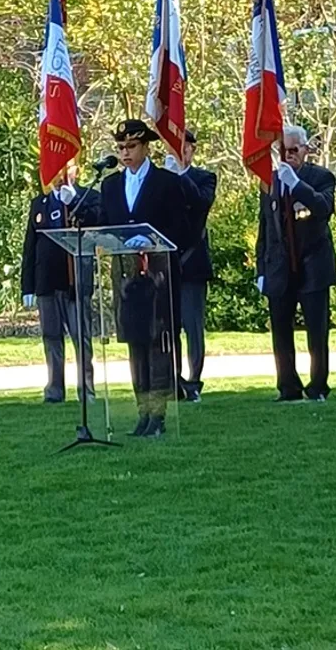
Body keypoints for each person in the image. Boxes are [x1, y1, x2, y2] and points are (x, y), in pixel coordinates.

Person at [99, 119, 189, 437]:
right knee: (135, 346)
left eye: (131, 147)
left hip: (158, 276)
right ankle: (141, 413)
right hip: (125, 277)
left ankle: (159, 414)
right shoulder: (109, 185)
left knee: (157, 345)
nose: (125, 153)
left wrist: (153, 241)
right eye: (120, 147)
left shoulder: (166, 182)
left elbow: (182, 228)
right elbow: (105, 225)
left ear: (146, 147)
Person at [256, 125, 336, 402]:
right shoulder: (269, 180)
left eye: (294, 150)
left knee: (317, 331)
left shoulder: (321, 176)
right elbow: (265, 227)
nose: (288, 155)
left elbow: (323, 208)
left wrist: (297, 185)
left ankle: (318, 386)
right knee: (280, 330)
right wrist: (261, 270)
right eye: (283, 150)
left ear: (305, 149)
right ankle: (288, 386)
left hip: (313, 263)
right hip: (280, 265)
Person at [20, 159, 101, 404]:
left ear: (77, 171)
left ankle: (86, 390)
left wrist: (73, 201)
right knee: (51, 336)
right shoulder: (39, 203)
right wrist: (28, 286)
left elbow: (97, 221)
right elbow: (30, 248)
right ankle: (55, 390)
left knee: (81, 336)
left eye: (68, 167)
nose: (60, 174)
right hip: (47, 280)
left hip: (75, 279)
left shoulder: (89, 197)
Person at [163, 129, 216, 402]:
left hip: (191, 262)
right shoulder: (160, 181)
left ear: (192, 150)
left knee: (193, 327)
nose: (179, 152)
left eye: (184, 147)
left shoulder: (204, 178)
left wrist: (181, 176)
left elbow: (201, 202)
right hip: (164, 263)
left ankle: (195, 380)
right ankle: (174, 378)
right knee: (168, 328)